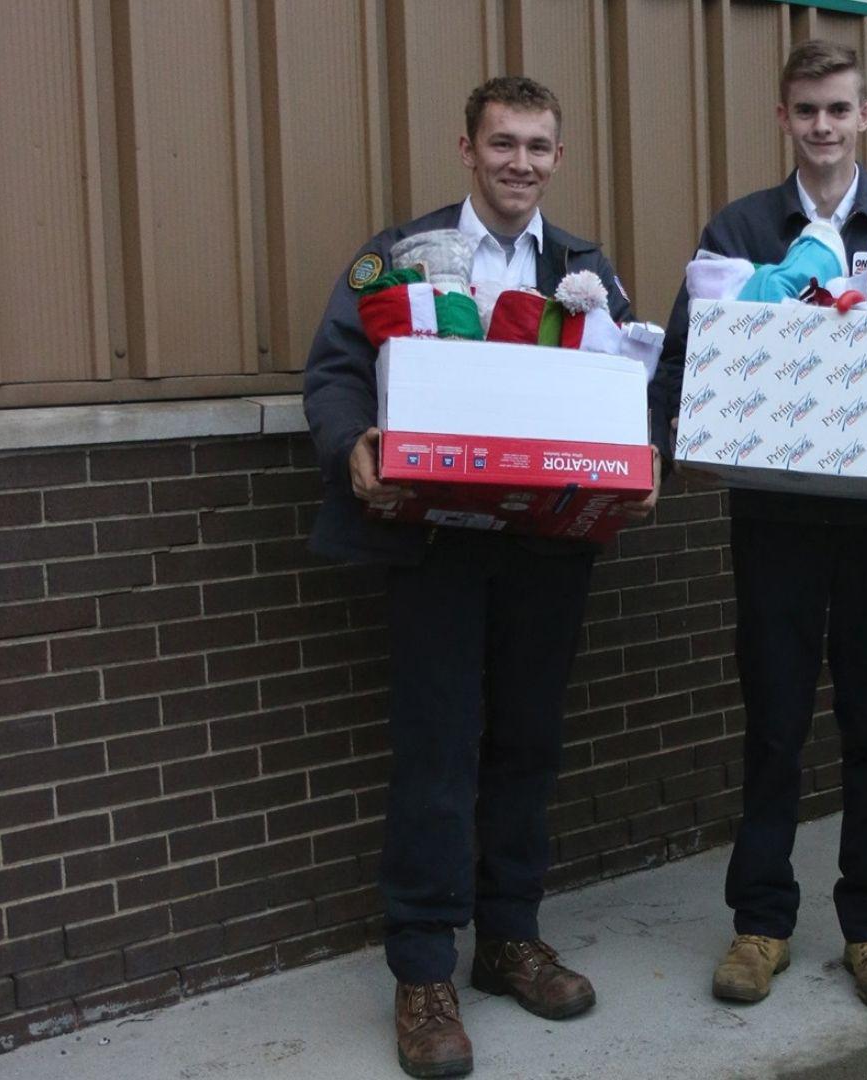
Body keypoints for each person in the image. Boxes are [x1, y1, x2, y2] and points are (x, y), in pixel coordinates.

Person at [304, 75, 657, 1079]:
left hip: (549, 549)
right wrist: (354, 443)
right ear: (467, 149)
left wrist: (645, 454)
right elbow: (334, 371)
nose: (522, 164)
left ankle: (509, 940)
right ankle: (423, 974)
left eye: (539, 147)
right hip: (435, 546)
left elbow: (629, 379)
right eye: (503, 144)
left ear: (558, 156)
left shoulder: (585, 270)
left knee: (527, 749)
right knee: (436, 755)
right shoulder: (402, 256)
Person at [649, 39, 867, 1012]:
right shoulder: (739, 232)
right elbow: (684, 361)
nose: (822, 127)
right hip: (772, 520)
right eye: (806, 111)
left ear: (865, 115)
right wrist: (683, 438)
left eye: (838, 110)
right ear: (783, 117)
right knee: (772, 720)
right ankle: (760, 923)